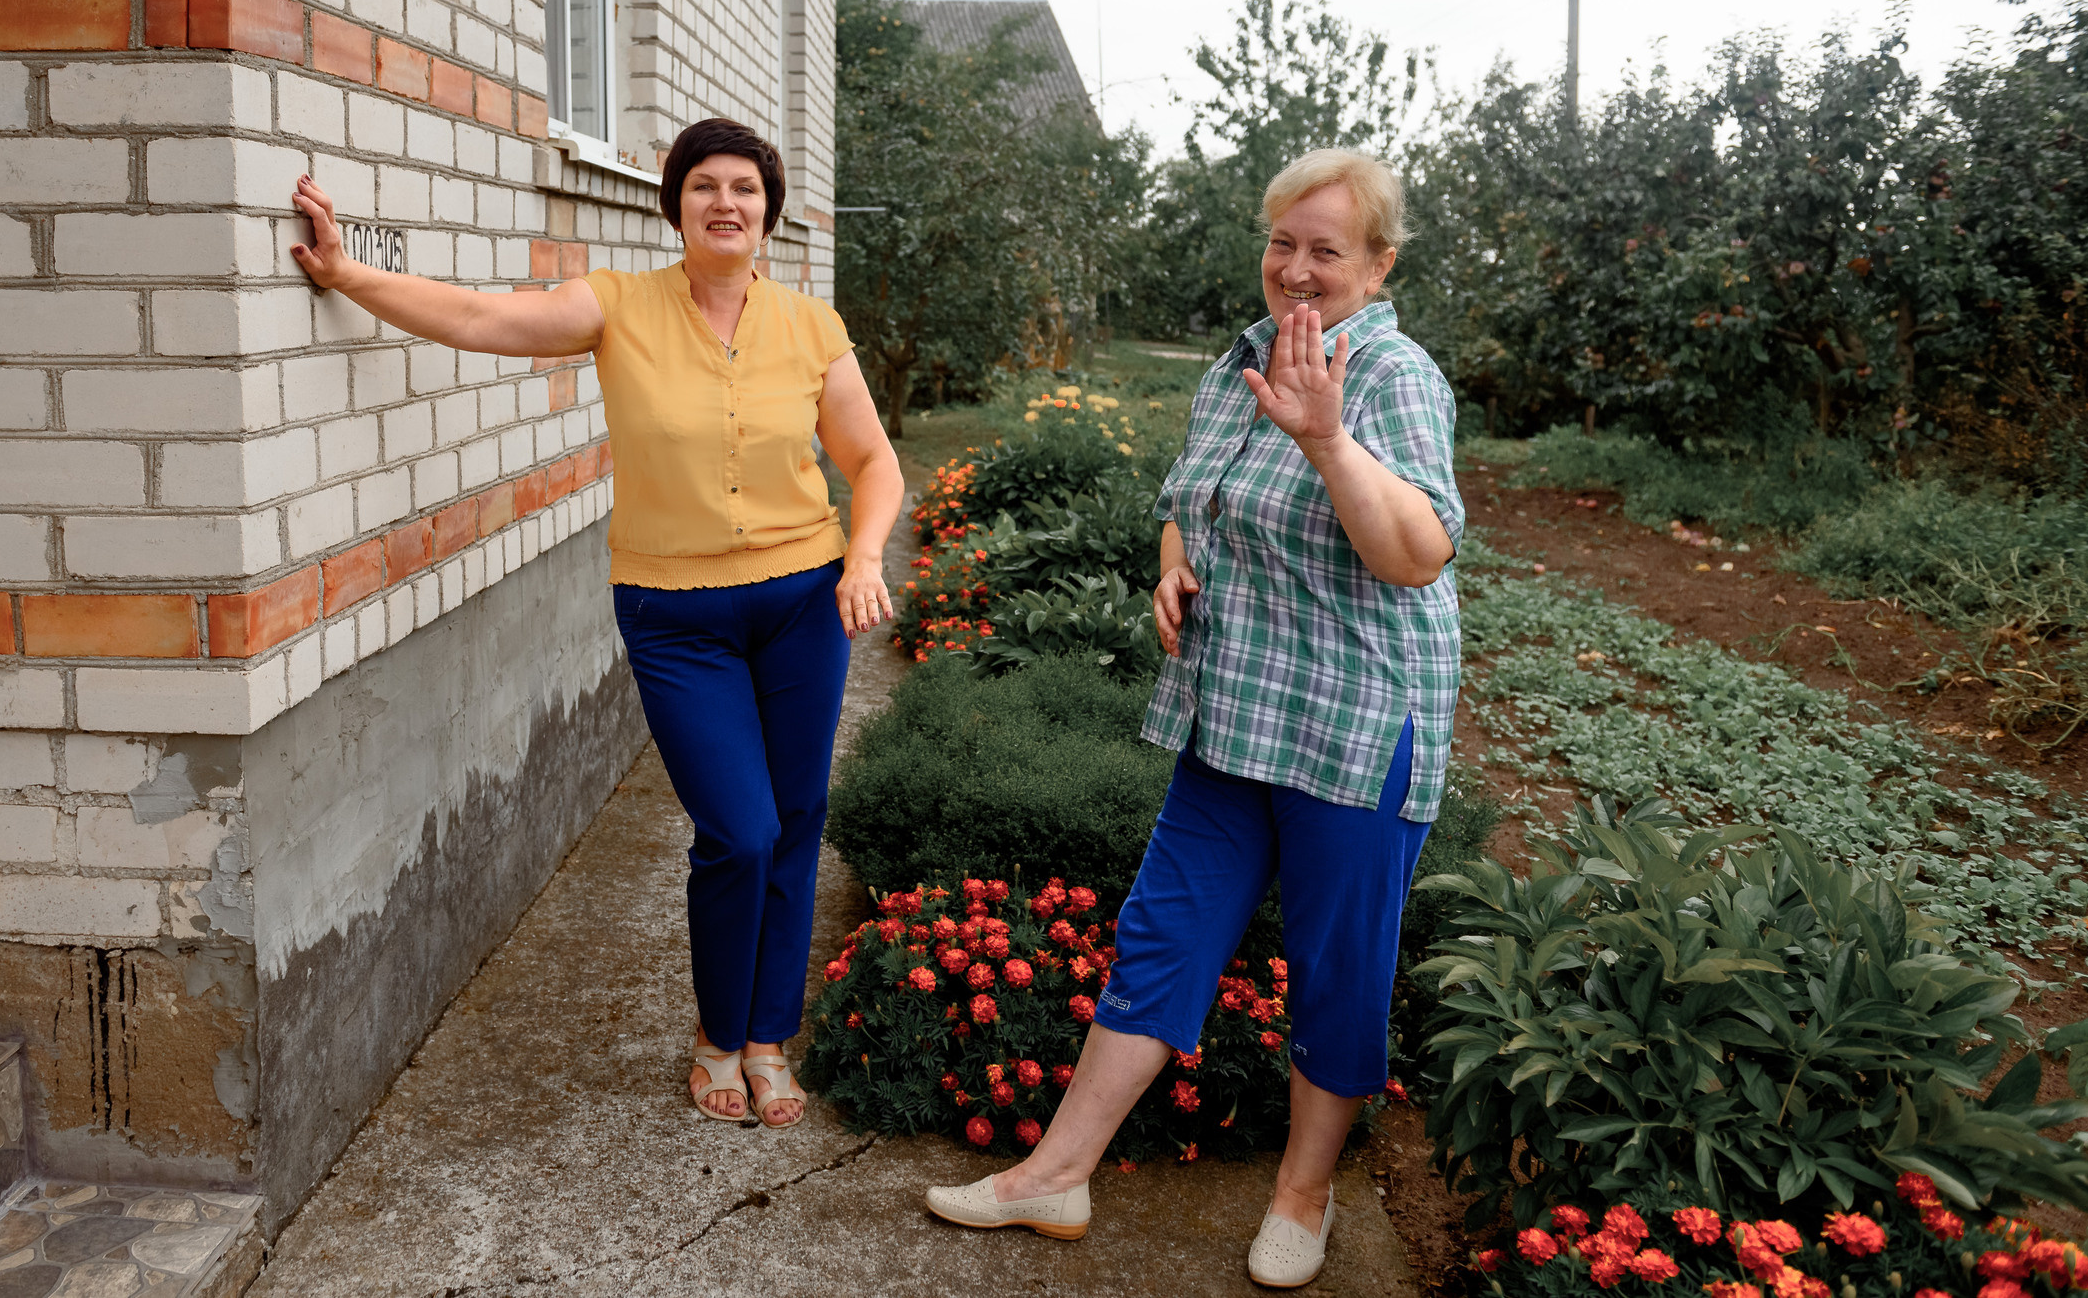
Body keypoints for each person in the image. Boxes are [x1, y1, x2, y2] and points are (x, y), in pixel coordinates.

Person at [290, 117, 904, 1129]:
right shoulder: (617, 305)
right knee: (738, 830)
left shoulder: (811, 326)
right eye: (703, 185)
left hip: (802, 597)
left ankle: (765, 1038)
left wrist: (866, 555)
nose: (724, 203)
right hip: (674, 613)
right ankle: (715, 1035)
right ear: (674, 204)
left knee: (794, 824)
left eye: (744, 188)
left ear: (768, 211)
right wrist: (350, 274)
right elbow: (484, 319)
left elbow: (872, 462)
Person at [922, 148, 1463, 1287]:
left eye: (1327, 249)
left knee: (1335, 967)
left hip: (1355, 720)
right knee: (1162, 931)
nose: (1297, 269)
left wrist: (1324, 435)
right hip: (1237, 707)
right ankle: (1052, 1173)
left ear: (1377, 262)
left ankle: (1302, 1196)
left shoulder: (1393, 375)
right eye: (1283, 242)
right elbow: (1188, 500)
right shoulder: (1236, 362)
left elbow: (1417, 554)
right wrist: (1172, 567)